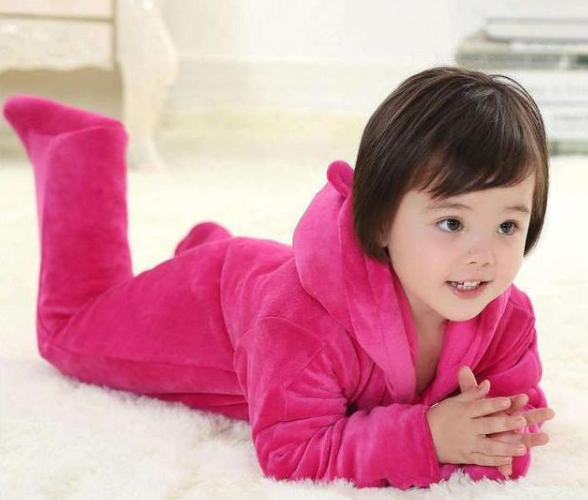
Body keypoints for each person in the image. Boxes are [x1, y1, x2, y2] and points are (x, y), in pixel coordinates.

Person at [2, 65, 556, 490]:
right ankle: (81, 149)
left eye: (508, 225)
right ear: (381, 222)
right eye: (452, 223)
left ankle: (207, 243)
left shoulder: (508, 317)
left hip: (261, 289)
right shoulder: (302, 330)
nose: (483, 255)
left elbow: (512, 427)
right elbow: (291, 452)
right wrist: (428, 438)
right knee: (67, 330)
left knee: (259, 291)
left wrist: (493, 439)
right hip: (207, 310)